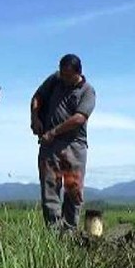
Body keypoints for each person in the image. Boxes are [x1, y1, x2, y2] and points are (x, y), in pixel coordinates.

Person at [30, 54, 96, 232]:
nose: (64, 79)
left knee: (73, 190)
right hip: (49, 146)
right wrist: (35, 118)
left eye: (68, 76)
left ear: (78, 73)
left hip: (74, 146)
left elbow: (79, 118)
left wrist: (54, 131)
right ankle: (53, 234)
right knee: (49, 189)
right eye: (62, 74)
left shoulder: (88, 91)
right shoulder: (55, 79)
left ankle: (69, 233)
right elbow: (37, 97)